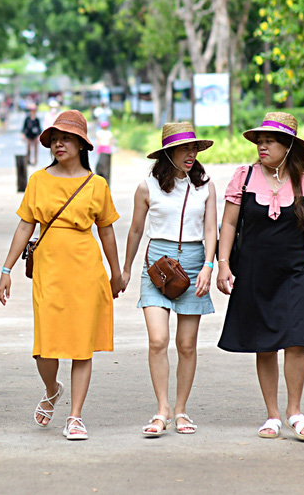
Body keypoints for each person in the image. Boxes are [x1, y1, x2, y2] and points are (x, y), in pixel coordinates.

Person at [216, 112, 304, 441]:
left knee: (296, 340)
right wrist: (222, 262)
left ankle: (294, 410)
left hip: (294, 272)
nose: (262, 146)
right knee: (265, 344)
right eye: (259, 141)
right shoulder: (244, 177)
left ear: (288, 146)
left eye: (269, 141)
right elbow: (230, 224)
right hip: (254, 272)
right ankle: (272, 415)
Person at [0, 109, 124, 441]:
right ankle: (52, 388)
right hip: (49, 269)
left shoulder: (96, 184)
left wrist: (117, 272)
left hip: (86, 270)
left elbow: (107, 232)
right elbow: (26, 224)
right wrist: (6, 268)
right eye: (55, 139)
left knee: (82, 345)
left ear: (82, 144)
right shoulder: (39, 180)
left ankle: (75, 416)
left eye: (66, 138)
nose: (58, 144)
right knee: (45, 346)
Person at [122, 122, 216, 437]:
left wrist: (208, 266)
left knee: (187, 344)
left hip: (193, 264)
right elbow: (136, 230)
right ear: (168, 153)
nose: (191, 154)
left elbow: (210, 230)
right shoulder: (147, 186)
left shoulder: (205, 185)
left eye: (194, 148)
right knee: (158, 339)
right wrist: (125, 269)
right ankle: (162, 409)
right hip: (157, 266)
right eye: (184, 148)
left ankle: (181, 410)